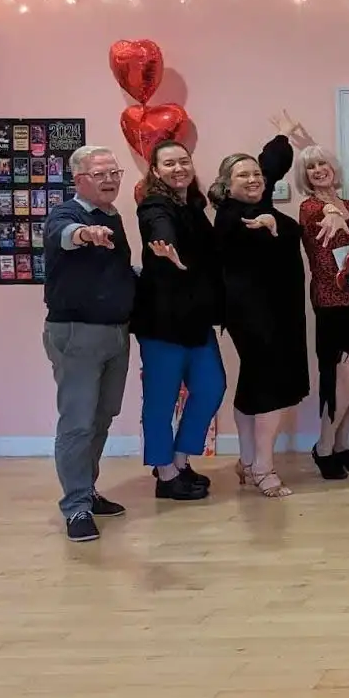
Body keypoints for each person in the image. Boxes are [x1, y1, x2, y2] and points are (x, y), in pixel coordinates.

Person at [211, 124, 309, 498]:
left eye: (256, 174)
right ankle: (264, 467)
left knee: (253, 383)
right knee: (270, 386)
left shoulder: (259, 199)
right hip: (253, 315)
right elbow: (254, 230)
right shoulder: (230, 215)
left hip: (279, 311)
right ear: (227, 185)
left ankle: (248, 460)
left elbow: (274, 161)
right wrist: (272, 222)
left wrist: (283, 136)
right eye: (243, 175)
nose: (253, 179)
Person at [43, 144, 135, 541]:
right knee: (78, 423)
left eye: (114, 172)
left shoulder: (112, 216)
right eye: (100, 174)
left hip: (115, 332)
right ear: (79, 179)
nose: (110, 179)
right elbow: (64, 235)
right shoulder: (67, 214)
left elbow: (111, 272)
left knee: (102, 417)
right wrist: (85, 234)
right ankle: (76, 507)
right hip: (77, 334)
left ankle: (87, 489)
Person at [131, 138, 227, 502]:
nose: (178, 168)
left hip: (196, 319)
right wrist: (164, 245)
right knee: (161, 399)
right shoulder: (154, 204)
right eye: (169, 163)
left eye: (183, 161)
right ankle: (166, 473)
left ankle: (179, 461)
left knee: (211, 387)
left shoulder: (195, 206)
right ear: (156, 171)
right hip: (162, 321)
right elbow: (158, 225)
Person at [295, 143, 349, 481]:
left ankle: (342, 446)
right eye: (311, 167)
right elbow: (324, 221)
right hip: (332, 302)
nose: (318, 170)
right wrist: (334, 213)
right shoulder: (310, 208)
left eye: (323, 163)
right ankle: (324, 446)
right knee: (343, 376)